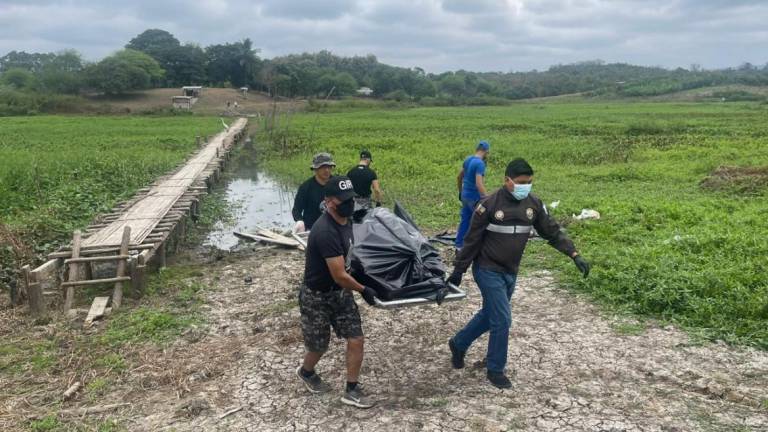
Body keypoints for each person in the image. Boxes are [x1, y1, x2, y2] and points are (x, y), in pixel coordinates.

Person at [446, 158, 590, 389]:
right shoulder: (489, 204)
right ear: (507, 181)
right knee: (502, 319)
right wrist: (458, 271)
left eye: (529, 182)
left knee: (489, 315)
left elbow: (551, 232)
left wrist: (574, 254)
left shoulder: (533, 205)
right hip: (487, 269)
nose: (526, 186)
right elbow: (472, 240)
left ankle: (458, 343)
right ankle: (495, 369)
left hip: (510, 271)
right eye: (522, 182)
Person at [296, 175, 379, 408]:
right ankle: (306, 371)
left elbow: (353, 254)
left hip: (341, 294)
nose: (348, 203)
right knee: (319, 346)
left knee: (356, 338)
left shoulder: (349, 220)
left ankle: (351, 389)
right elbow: (340, 274)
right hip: (317, 297)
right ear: (329, 201)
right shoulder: (325, 231)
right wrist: (364, 290)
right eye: (342, 200)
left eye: (350, 199)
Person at [456, 140, 490, 249]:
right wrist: (486, 198)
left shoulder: (468, 160)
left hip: (465, 195)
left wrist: (461, 192)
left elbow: (459, 177)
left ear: (477, 149)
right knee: (481, 221)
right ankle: (478, 247)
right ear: (486, 152)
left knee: (465, 220)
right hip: (474, 198)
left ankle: (459, 246)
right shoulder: (480, 164)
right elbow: (479, 183)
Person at [292, 153, 335, 232]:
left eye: (329, 167)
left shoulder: (337, 184)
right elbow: (296, 210)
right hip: (312, 229)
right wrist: (299, 221)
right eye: (323, 167)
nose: (327, 170)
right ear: (315, 169)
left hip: (334, 228)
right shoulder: (306, 187)